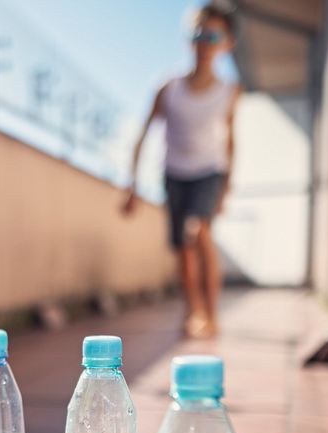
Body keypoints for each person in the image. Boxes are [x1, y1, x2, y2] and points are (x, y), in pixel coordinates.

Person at [122, 4, 241, 339]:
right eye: (198, 34)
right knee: (181, 248)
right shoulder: (168, 87)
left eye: (213, 36)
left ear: (227, 43)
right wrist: (131, 185)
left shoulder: (229, 91)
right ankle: (192, 312)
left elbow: (231, 140)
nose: (204, 42)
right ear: (189, 38)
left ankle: (212, 315)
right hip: (174, 173)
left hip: (209, 172)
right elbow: (142, 134)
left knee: (197, 230)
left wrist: (226, 188)